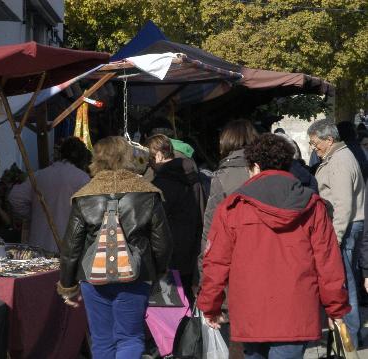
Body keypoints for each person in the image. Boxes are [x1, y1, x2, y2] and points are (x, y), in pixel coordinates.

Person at [198, 134, 350, 358]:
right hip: (296, 311)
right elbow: (328, 262)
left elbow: (216, 261)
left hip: (250, 310)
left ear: (255, 166)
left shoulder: (233, 206)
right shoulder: (312, 205)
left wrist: (210, 304)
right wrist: (335, 307)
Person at [57, 136, 172, 358]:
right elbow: (163, 242)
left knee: (102, 340)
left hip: (93, 277)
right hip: (137, 275)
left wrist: (68, 285)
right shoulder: (148, 193)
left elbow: (71, 247)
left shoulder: (84, 195)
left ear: (97, 159)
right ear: (128, 157)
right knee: (130, 337)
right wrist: (156, 273)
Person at [307, 119, 365, 348]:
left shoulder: (340, 160)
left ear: (329, 140)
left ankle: (348, 337)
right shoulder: (339, 156)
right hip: (347, 226)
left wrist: (336, 238)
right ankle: (348, 335)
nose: (314, 148)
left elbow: (343, 205)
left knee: (344, 283)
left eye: (315, 143)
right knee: (345, 282)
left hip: (345, 227)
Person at [197, 119, 259, 285]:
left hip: (235, 259)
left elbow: (211, 228)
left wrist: (204, 273)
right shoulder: (270, 171)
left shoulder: (222, 178)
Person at [9, 137, 91, 253]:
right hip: (68, 246)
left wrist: (32, 215)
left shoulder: (40, 175)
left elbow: (15, 197)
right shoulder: (82, 179)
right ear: (83, 159)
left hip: (39, 243)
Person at [145, 134, 201, 298]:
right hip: (191, 251)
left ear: (159, 156)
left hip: (168, 257)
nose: (150, 165)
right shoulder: (194, 177)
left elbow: (155, 225)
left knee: (166, 312)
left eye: (150, 159)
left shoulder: (160, 184)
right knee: (186, 305)